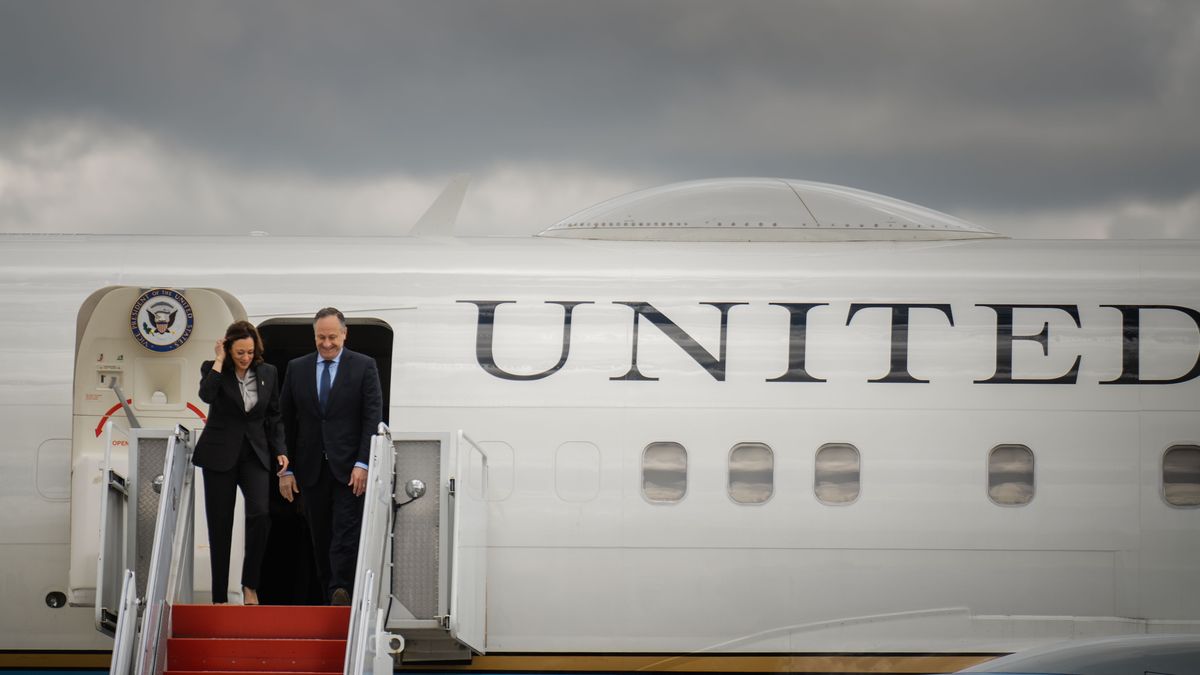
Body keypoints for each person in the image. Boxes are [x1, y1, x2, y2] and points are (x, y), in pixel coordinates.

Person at [279, 307, 382, 605]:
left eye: (332, 337)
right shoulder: (297, 368)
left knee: (345, 531)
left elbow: (372, 418)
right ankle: (331, 594)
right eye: (321, 337)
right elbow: (283, 420)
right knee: (320, 534)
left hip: (350, 468)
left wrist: (364, 462)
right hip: (310, 468)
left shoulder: (364, 367)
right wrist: (286, 469)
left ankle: (342, 590)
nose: (327, 344)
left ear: (345, 334)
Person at [193, 320, 288, 605]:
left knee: (260, 514)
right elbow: (206, 396)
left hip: (254, 454)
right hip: (219, 455)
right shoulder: (213, 368)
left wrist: (280, 449)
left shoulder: (268, 372)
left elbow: (274, 415)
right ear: (228, 348)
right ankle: (219, 596)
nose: (245, 358)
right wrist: (220, 361)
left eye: (249, 352)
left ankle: (250, 584)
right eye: (239, 353)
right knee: (220, 525)